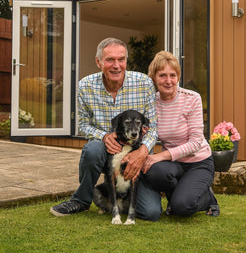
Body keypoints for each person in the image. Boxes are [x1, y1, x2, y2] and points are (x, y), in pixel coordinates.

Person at [50, 38, 162, 221]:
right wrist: (103, 136)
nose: (116, 65)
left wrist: (142, 151)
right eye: (110, 59)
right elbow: (83, 125)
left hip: (134, 156)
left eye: (121, 59)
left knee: (150, 213)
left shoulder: (144, 83)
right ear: (98, 62)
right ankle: (81, 200)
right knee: (92, 149)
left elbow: (153, 127)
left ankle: (120, 193)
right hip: (105, 153)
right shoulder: (85, 86)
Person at [142, 51, 219, 217]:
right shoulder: (151, 102)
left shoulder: (192, 98)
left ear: (178, 77)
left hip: (198, 162)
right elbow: (149, 133)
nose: (168, 81)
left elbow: (196, 143)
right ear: (153, 77)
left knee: (182, 207)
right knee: (153, 172)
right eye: (162, 75)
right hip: (174, 164)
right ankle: (181, 193)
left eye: (173, 75)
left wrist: (160, 156)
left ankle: (208, 199)